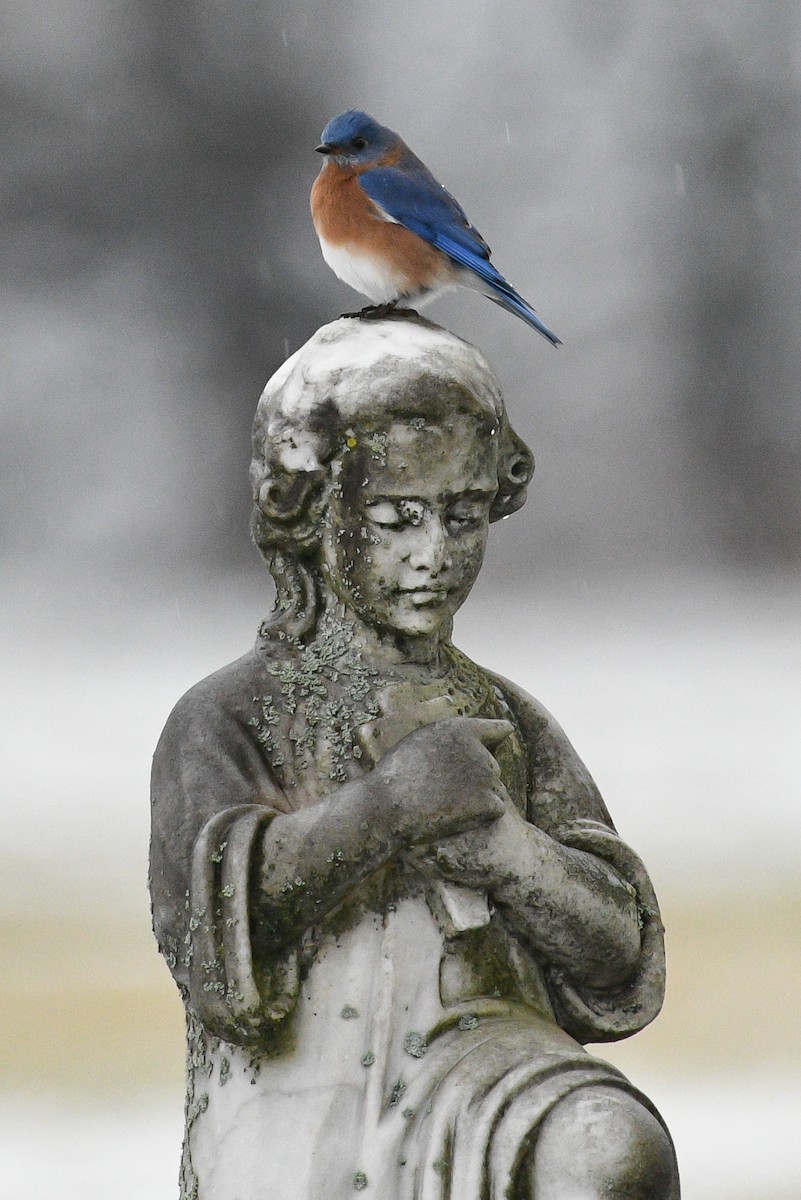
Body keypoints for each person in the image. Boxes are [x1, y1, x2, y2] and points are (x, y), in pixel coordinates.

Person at [150, 315, 679, 1200]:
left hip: (492, 1066)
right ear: (310, 511)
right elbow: (213, 941)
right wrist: (385, 809)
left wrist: (509, 854)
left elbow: (618, 957)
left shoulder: (507, 719)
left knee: (605, 1146)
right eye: (396, 518)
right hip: (299, 1092)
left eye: (463, 517)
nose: (433, 555)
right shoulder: (229, 717)